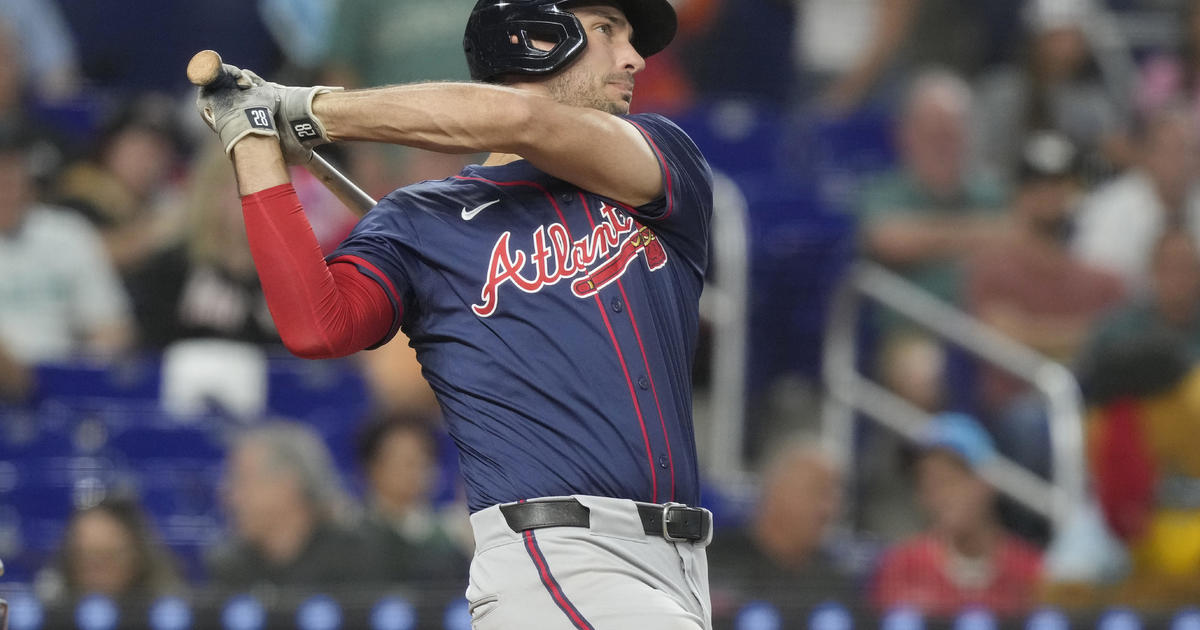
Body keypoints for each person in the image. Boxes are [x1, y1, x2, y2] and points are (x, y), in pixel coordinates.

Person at [193, 0, 714, 626]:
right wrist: (250, 140)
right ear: (533, 40)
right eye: (607, 30)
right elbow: (317, 325)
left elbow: (524, 121)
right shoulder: (421, 221)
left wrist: (305, 108)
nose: (633, 58)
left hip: (681, 565)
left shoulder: (663, 161)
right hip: (555, 557)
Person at [966, 131, 1123, 475]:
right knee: (1035, 425)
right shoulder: (993, 266)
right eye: (1037, 185)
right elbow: (1007, 340)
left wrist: (1044, 336)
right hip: (1018, 403)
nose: (1049, 196)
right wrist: (1089, 335)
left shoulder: (1102, 278)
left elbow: (1122, 340)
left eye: (1059, 184)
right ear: (1020, 194)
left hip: (1092, 397)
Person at [868, 412, 1043, 618]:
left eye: (950, 480)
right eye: (927, 484)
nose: (939, 496)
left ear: (985, 484)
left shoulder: (1031, 571)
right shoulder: (901, 567)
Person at [0, 128, 133, 382]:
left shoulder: (68, 234)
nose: (6, 193)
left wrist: (87, 373)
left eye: (11, 182)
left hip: (61, 376)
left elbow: (111, 325)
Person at [206, 421, 384, 590]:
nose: (228, 496)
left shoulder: (358, 558)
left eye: (241, 481)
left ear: (287, 485)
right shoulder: (229, 567)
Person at [706, 441, 861, 608]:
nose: (829, 509)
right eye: (819, 492)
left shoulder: (834, 584)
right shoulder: (714, 561)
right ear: (775, 492)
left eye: (835, 496)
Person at [1071, 104, 1200, 295]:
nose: (1178, 161)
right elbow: (1091, 282)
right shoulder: (1108, 208)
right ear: (1147, 155)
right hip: (1124, 314)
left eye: (1186, 151)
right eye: (1167, 150)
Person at [354, 413, 471, 583]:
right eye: (406, 462)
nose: (417, 471)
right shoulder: (349, 529)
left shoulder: (451, 530)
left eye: (424, 460)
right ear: (373, 467)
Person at [36, 496, 183, 606]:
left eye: (108, 556)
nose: (95, 572)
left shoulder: (165, 612)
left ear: (137, 557)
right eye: (84, 558)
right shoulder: (50, 610)